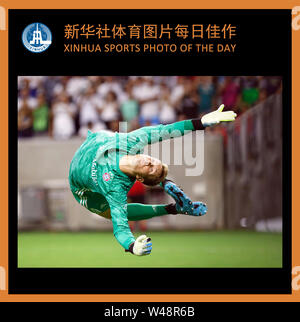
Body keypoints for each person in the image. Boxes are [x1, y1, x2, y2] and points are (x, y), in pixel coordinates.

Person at [68, 105, 237, 256]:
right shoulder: (134, 141)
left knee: (110, 213)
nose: (149, 162)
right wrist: (201, 122)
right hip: (95, 140)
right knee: (115, 210)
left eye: (150, 168)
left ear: (140, 178)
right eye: (153, 161)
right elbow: (167, 131)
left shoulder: (115, 187)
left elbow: (121, 228)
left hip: (80, 186)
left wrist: (132, 246)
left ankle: (172, 208)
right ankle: (172, 197)